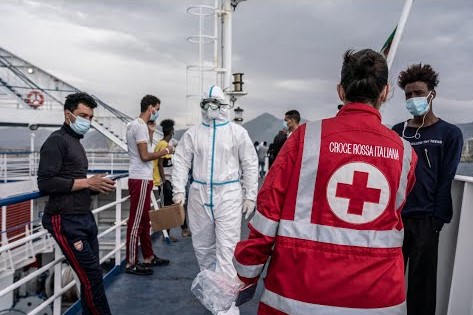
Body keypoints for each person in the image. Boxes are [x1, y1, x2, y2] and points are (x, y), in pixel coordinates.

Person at [233, 49, 418, 314]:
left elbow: (268, 214)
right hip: (379, 299)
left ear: (341, 91)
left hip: (298, 295)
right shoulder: (405, 154)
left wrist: (246, 276)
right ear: (386, 92)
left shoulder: (304, 138)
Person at [172, 85, 258, 315]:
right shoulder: (194, 133)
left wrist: (250, 194)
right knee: (203, 249)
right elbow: (180, 161)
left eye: (214, 102)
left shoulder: (237, 132)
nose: (210, 107)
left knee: (227, 251)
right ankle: (215, 298)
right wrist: (178, 191)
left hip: (228, 195)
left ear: (222, 106)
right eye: (206, 102)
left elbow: (250, 163)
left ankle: (228, 308)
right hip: (199, 195)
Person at [392, 63, 463, 315]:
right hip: (396, 220)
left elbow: (446, 179)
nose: (413, 99)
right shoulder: (396, 132)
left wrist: (437, 221)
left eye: (418, 93)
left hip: (426, 220)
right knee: (390, 282)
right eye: (408, 94)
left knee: (422, 286)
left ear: (432, 94)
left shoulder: (449, 134)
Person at [38, 92, 116, 314]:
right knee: (91, 277)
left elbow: (75, 181)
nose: (87, 121)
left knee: (93, 277)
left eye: (91, 117)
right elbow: (46, 182)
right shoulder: (56, 141)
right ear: (68, 114)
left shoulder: (76, 143)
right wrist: (86, 182)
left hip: (84, 217)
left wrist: (95, 185)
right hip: (65, 219)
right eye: (83, 115)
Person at [125, 94, 172, 276]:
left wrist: (151, 132)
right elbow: (145, 156)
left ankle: (148, 256)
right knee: (136, 222)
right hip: (140, 178)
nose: (157, 113)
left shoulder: (136, 125)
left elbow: (143, 151)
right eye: (157, 110)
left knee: (144, 220)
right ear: (150, 108)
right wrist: (166, 151)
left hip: (141, 177)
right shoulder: (139, 126)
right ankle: (131, 263)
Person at [152, 119, 191, 239]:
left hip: (171, 181)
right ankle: (167, 235)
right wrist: (164, 181)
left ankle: (184, 229)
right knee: (167, 208)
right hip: (165, 182)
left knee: (178, 204)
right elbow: (160, 163)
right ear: (172, 132)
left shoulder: (166, 144)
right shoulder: (162, 145)